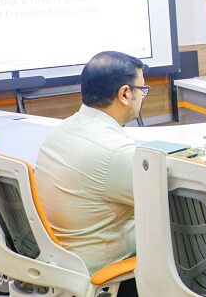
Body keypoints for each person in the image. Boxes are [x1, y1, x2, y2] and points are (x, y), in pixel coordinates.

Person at [36, 51, 146, 295]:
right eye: (142, 90)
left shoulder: (62, 130)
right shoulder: (115, 151)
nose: (142, 97)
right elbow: (166, 202)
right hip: (106, 277)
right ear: (125, 94)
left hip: (61, 265)